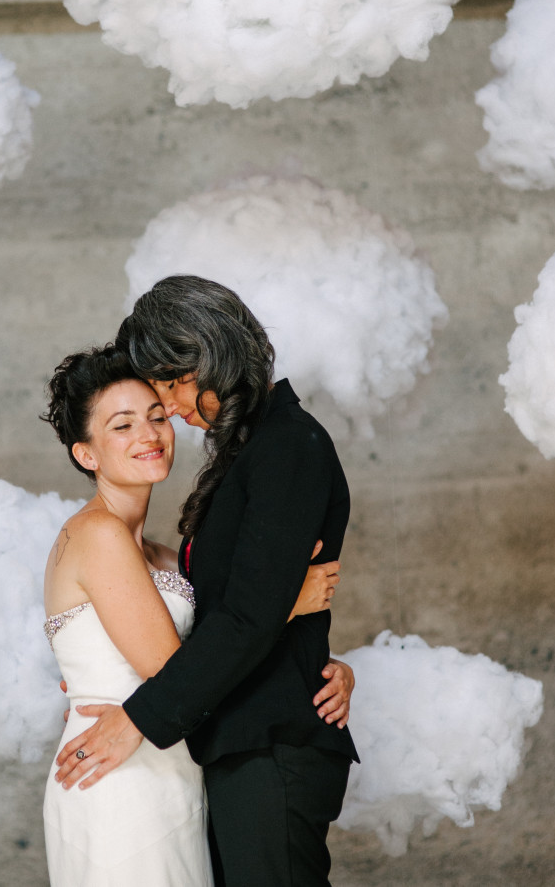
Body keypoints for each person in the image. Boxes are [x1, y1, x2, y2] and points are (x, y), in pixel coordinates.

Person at [54, 277, 359, 887]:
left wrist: (136, 716)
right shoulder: (252, 452)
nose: (170, 409)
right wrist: (286, 610)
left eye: (171, 385)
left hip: (269, 745)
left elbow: (245, 618)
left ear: (211, 351)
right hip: (229, 749)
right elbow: (246, 608)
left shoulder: (287, 446)